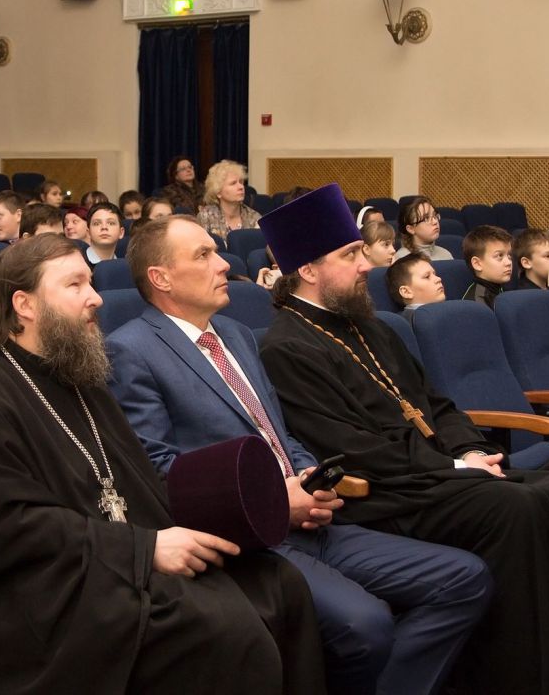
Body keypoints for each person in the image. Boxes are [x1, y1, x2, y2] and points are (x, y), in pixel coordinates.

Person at [0, 234, 327, 694]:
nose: (96, 298)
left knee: (281, 584)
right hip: (49, 584)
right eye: (75, 285)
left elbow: (139, 481)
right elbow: (5, 525)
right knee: (225, 629)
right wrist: (143, 549)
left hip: (118, 553)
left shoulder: (80, 377)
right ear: (25, 305)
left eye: (91, 283)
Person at [257, 183, 549, 695]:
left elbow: (437, 405)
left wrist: (471, 450)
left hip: (433, 475)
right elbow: (352, 449)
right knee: (513, 509)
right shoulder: (286, 347)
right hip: (384, 494)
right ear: (309, 270)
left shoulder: (372, 328)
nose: (366, 266)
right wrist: (457, 469)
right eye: (350, 255)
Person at [108, 215, 493, 695]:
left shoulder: (235, 334)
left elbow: (275, 429)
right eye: (203, 255)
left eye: (216, 251)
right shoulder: (131, 351)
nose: (223, 264)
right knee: (365, 624)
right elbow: (160, 471)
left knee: (465, 578)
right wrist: (273, 500)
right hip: (247, 540)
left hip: (309, 520)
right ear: (161, 278)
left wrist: (309, 473)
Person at [195, 160, 261, 239]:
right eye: (233, 183)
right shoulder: (205, 217)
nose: (241, 187)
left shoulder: (254, 217)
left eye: (241, 182)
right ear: (218, 192)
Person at [461, 225, 513, 308]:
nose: (509, 262)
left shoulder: (501, 288)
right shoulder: (476, 304)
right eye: (499, 256)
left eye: (509, 256)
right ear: (477, 264)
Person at [386, 254, 445, 320]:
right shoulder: (413, 321)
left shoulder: (444, 312)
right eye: (427, 277)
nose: (438, 279)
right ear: (406, 292)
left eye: (434, 274)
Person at [394, 196, 452, 261]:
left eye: (435, 216)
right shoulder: (402, 259)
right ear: (411, 229)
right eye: (426, 218)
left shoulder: (446, 255)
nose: (435, 221)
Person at [84, 201, 123, 268]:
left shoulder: (124, 267)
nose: (104, 227)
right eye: (96, 223)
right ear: (88, 233)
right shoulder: (78, 262)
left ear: (121, 233)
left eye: (111, 223)